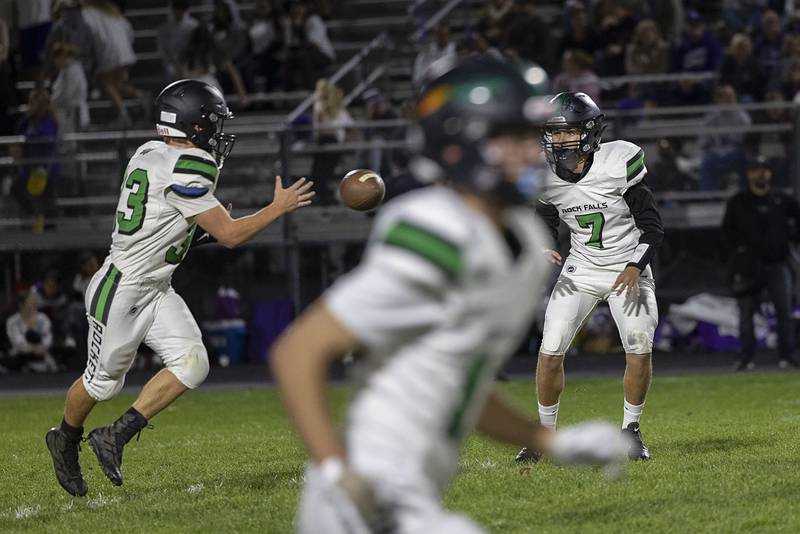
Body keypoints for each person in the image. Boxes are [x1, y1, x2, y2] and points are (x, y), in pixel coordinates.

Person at [271, 58, 630, 534]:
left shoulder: (523, 241)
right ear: (462, 145)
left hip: (413, 486)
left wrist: (550, 443)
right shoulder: (434, 229)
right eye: (513, 138)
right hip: (368, 487)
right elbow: (299, 352)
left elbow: (463, 386)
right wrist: (338, 472)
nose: (532, 152)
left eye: (532, 136)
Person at [45, 79, 315, 498]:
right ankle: (64, 439)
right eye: (213, 121)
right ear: (192, 123)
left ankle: (113, 437)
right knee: (102, 384)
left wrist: (197, 228)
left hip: (156, 285)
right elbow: (230, 235)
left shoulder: (150, 151)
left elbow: (164, 219)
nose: (218, 131)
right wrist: (276, 208)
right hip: (122, 288)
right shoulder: (189, 165)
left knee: (193, 363)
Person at [516, 91, 664, 464]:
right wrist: (544, 244)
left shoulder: (618, 162)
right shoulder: (545, 174)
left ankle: (630, 430)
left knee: (638, 346)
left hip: (627, 267)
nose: (559, 140)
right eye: (554, 132)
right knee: (550, 350)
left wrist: (634, 266)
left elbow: (652, 227)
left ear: (591, 131)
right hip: (581, 269)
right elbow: (545, 215)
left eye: (568, 132)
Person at [722, 156, 800, 371]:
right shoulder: (738, 201)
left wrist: (790, 238)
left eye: (765, 169)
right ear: (749, 174)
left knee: (784, 311)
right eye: (756, 169)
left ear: (770, 173)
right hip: (748, 265)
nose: (761, 173)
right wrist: (739, 250)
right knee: (746, 313)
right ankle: (746, 357)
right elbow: (727, 230)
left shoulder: (783, 200)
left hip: (777, 262)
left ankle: (788, 355)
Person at [699, 84, 751, 191]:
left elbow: (747, 140)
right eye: (725, 97)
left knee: (746, 160)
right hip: (716, 154)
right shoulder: (711, 117)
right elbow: (703, 141)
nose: (729, 100)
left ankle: (744, 195)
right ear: (719, 99)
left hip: (736, 155)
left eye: (731, 97)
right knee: (706, 163)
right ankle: (708, 200)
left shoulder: (742, 117)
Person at [5, 283, 58, 373]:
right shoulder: (13, 321)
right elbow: (18, 343)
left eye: (35, 302)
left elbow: (48, 339)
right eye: (31, 302)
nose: (34, 304)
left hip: (42, 356)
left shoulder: (42, 318)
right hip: (20, 358)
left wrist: (41, 347)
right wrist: (33, 348)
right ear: (21, 305)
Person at [157, 0, 198, 83]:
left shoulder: (194, 25)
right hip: (172, 62)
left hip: (190, 62)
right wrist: (171, 62)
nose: (179, 12)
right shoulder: (164, 28)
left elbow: (197, 46)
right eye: (177, 9)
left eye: (182, 9)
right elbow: (162, 47)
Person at [412, 23, 457, 88]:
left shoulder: (456, 51)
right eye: (439, 34)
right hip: (431, 90)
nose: (442, 37)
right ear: (435, 35)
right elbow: (417, 80)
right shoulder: (425, 54)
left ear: (448, 35)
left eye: (444, 34)